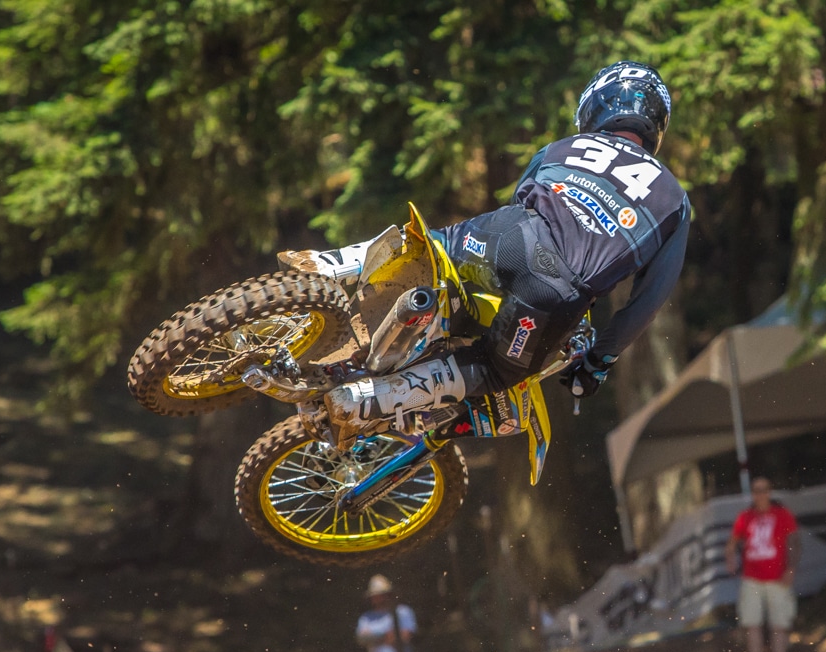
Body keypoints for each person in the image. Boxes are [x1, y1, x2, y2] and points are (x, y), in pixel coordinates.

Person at [279, 61, 690, 439]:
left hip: (511, 237)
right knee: (493, 370)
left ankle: (329, 264)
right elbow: (646, 302)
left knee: (432, 243)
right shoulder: (673, 199)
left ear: (595, 107)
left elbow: (520, 200)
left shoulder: (563, 147)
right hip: (553, 294)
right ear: (656, 124)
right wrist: (597, 363)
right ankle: (366, 400)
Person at [726, 478, 801, 652]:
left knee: (780, 624)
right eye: (756, 490)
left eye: (764, 490)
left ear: (770, 492)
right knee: (753, 624)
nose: (760, 494)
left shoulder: (782, 514)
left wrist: (791, 568)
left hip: (778, 578)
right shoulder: (745, 517)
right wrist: (730, 556)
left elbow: (794, 541)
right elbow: (733, 541)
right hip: (752, 578)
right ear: (752, 494)